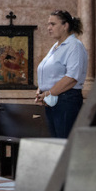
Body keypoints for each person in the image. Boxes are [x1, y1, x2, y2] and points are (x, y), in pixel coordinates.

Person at [35, 9, 87, 138]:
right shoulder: (56, 46)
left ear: (65, 26)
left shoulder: (74, 45)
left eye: (53, 24)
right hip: (52, 99)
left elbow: (72, 77)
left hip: (66, 99)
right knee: (56, 143)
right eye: (48, 24)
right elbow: (50, 72)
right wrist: (41, 89)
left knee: (63, 143)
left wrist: (48, 92)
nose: (49, 28)